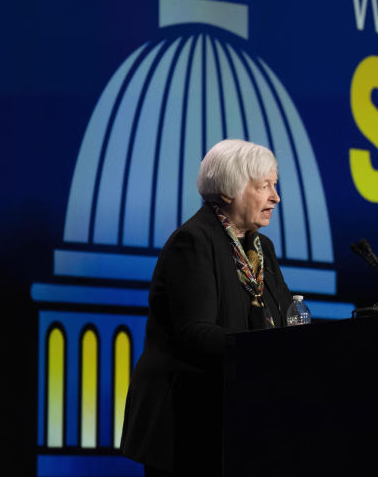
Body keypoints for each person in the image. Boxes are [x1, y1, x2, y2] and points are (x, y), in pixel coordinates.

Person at [120, 139, 294, 476]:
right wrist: (263, 355)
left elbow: (285, 318)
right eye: (265, 186)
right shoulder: (194, 242)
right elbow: (195, 334)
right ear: (229, 191)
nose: (276, 197)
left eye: (275, 185)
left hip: (240, 421)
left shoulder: (261, 249)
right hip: (189, 424)